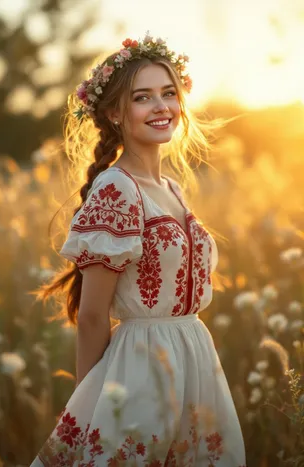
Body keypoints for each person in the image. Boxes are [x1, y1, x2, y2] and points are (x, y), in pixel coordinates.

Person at [30, 33, 246, 466]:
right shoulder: (116, 188)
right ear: (114, 113)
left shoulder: (172, 188)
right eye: (142, 97)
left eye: (168, 93)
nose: (161, 106)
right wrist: (89, 405)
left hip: (194, 356)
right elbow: (93, 315)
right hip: (140, 367)